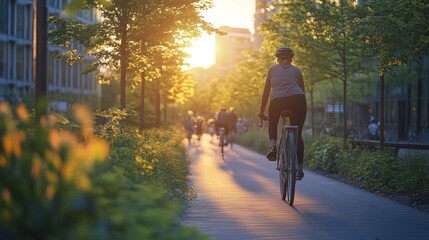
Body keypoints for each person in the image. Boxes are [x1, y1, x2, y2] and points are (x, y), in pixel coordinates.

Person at [258, 46, 307, 180]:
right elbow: (302, 89)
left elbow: (266, 91)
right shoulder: (297, 71)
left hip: (277, 101)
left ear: (277, 58)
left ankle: (273, 148)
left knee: (273, 122)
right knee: (298, 133)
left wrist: (261, 111)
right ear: (291, 59)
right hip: (298, 100)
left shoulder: (272, 70)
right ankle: (299, 169)